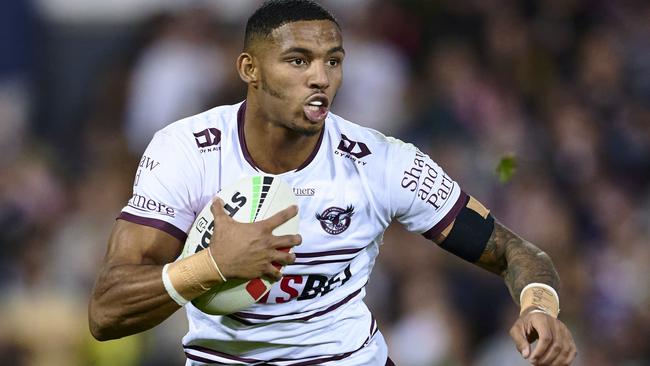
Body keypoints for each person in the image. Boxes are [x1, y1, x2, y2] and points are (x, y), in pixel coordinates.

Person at [88, 1, 578, 365]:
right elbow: (106, 312)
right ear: (249, 69)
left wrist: (541, 306)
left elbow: (514, 251)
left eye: (334, 61)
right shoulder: (187, 151)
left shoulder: (384, 163)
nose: (321, 77)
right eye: (298, 60)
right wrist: (213, 265)